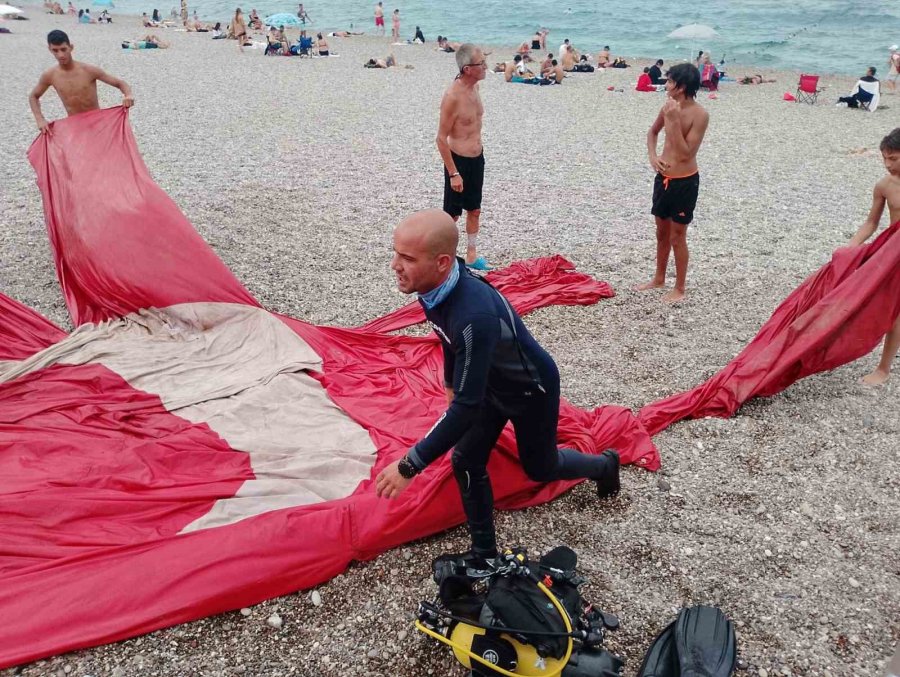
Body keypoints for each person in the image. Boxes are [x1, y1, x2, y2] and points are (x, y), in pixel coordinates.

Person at [376, 210, 621, 568]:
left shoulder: (474, 314)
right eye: (395, 252)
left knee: (540, 467)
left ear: (443, 262)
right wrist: (448, 383)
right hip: (490, 383)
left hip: (530, 390)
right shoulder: (434, 287)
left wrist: (409, 466)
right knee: (466, 459)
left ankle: (605, 465)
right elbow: (447, 339)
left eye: (407, 258)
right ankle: (484, 555)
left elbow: (464, 409)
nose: (394, 265)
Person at [637, 64, 709, 303]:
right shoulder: (667, 106)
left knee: (678, 235)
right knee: (661, 232)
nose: (665, 85)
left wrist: (675, 121)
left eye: (669, 82)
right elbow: (652, 132)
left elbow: (687, 152)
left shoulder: (700, 115)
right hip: (663, 178)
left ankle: (679, 287)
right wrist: (653, 156)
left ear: (682, 86)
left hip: (685, 181)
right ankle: (659, 278)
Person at [843, 128, 900, 384]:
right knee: (894, 310)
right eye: (884, 158)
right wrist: (851, 246)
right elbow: (871, 223)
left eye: (894, 159)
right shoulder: (885, 185)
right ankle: (884, 369)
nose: (888, 164)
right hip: (893, 253)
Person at [437, 44, 490, 270]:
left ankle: (471, 254)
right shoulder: (452, 96)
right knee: (452, 216)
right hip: (458, 161)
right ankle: (444, 258)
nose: (486, 67)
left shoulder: (475, 88)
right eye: (482, 64)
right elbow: (441, 139)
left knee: (475, 209)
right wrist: (453, 173)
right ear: (468, 69)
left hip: (477, 158)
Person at [30, 30, 133, 134]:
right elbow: (33, 96)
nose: (60, 55)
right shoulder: (50, 75)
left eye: (63, 49)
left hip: (96, 123)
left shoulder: (89, 70)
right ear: (50, 50)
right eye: (55, 50)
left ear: (71, 47)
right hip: (74, 126)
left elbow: (120, 83)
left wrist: (128, 95)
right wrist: (40, 119)